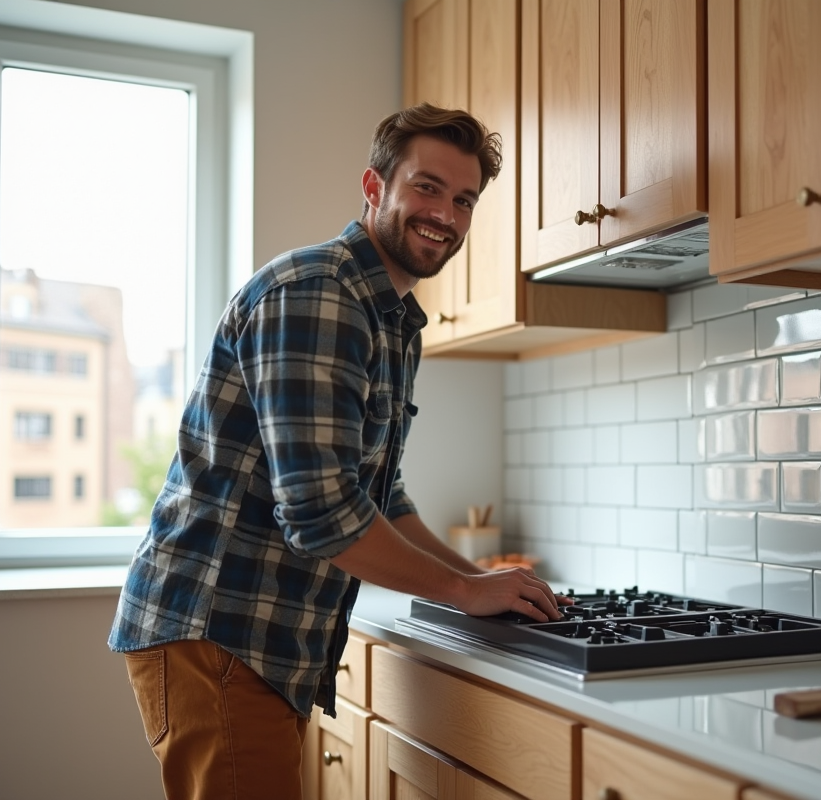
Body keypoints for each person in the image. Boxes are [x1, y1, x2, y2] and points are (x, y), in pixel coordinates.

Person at [109, 103, 568, 800]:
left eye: (465, 199)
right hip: (221, 629)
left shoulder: (389, 316)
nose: (445, 213)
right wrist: (465, 590)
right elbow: (322, 515)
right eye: (427, 186)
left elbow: (378, 492)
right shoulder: (320, 296)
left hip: (247, 636)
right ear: (375, 186)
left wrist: (474, 579)